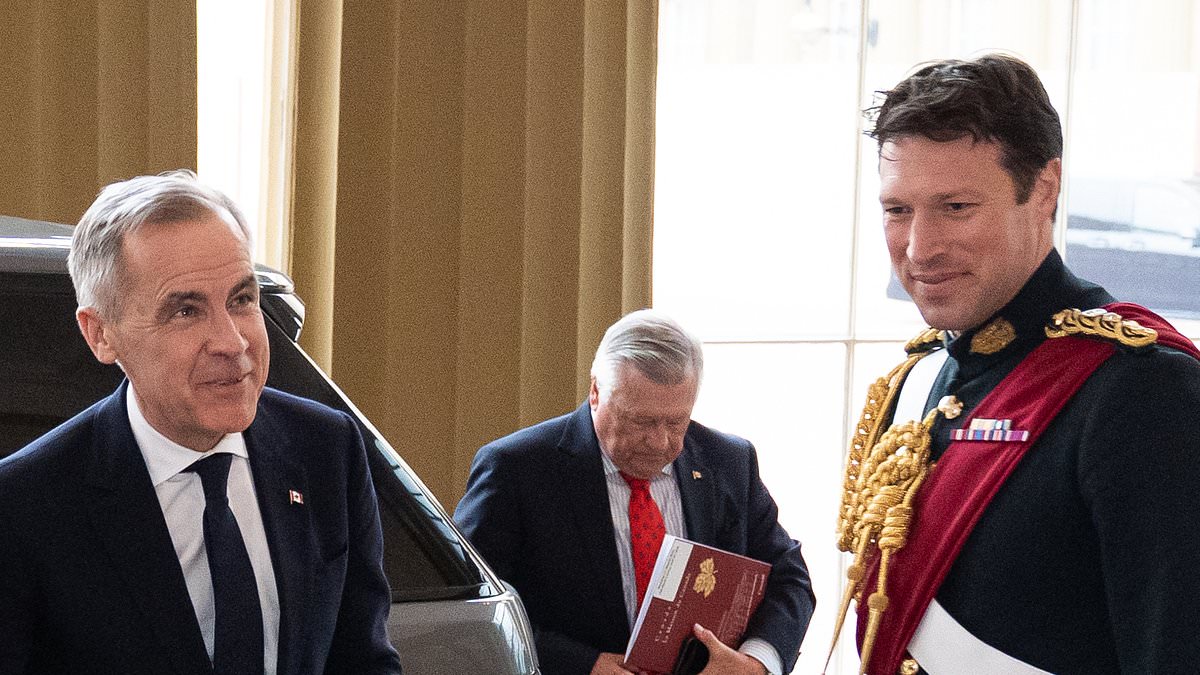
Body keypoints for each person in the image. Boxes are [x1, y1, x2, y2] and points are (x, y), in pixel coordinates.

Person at [830, 53, 1200, 675]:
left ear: (1045, 190)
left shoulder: (1144, 391)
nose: (919, 248)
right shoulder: (914, 383)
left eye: (955, 207)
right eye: (898, 211)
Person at [0, 171, 403, 674]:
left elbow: (362, 659)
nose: (232, 343)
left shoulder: (326, 447)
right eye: (186, 310)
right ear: (101, 334)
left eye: (241, 300)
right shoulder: (25, 506)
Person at [455, 309, 815, 675]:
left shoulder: (729, 462)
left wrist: (754, 662)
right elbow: (471, 607)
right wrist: (583, 666)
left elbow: (789, 577)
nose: (660, 442)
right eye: (640, 421)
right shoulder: (517, 469)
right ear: (595, 391)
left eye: (676, 422)